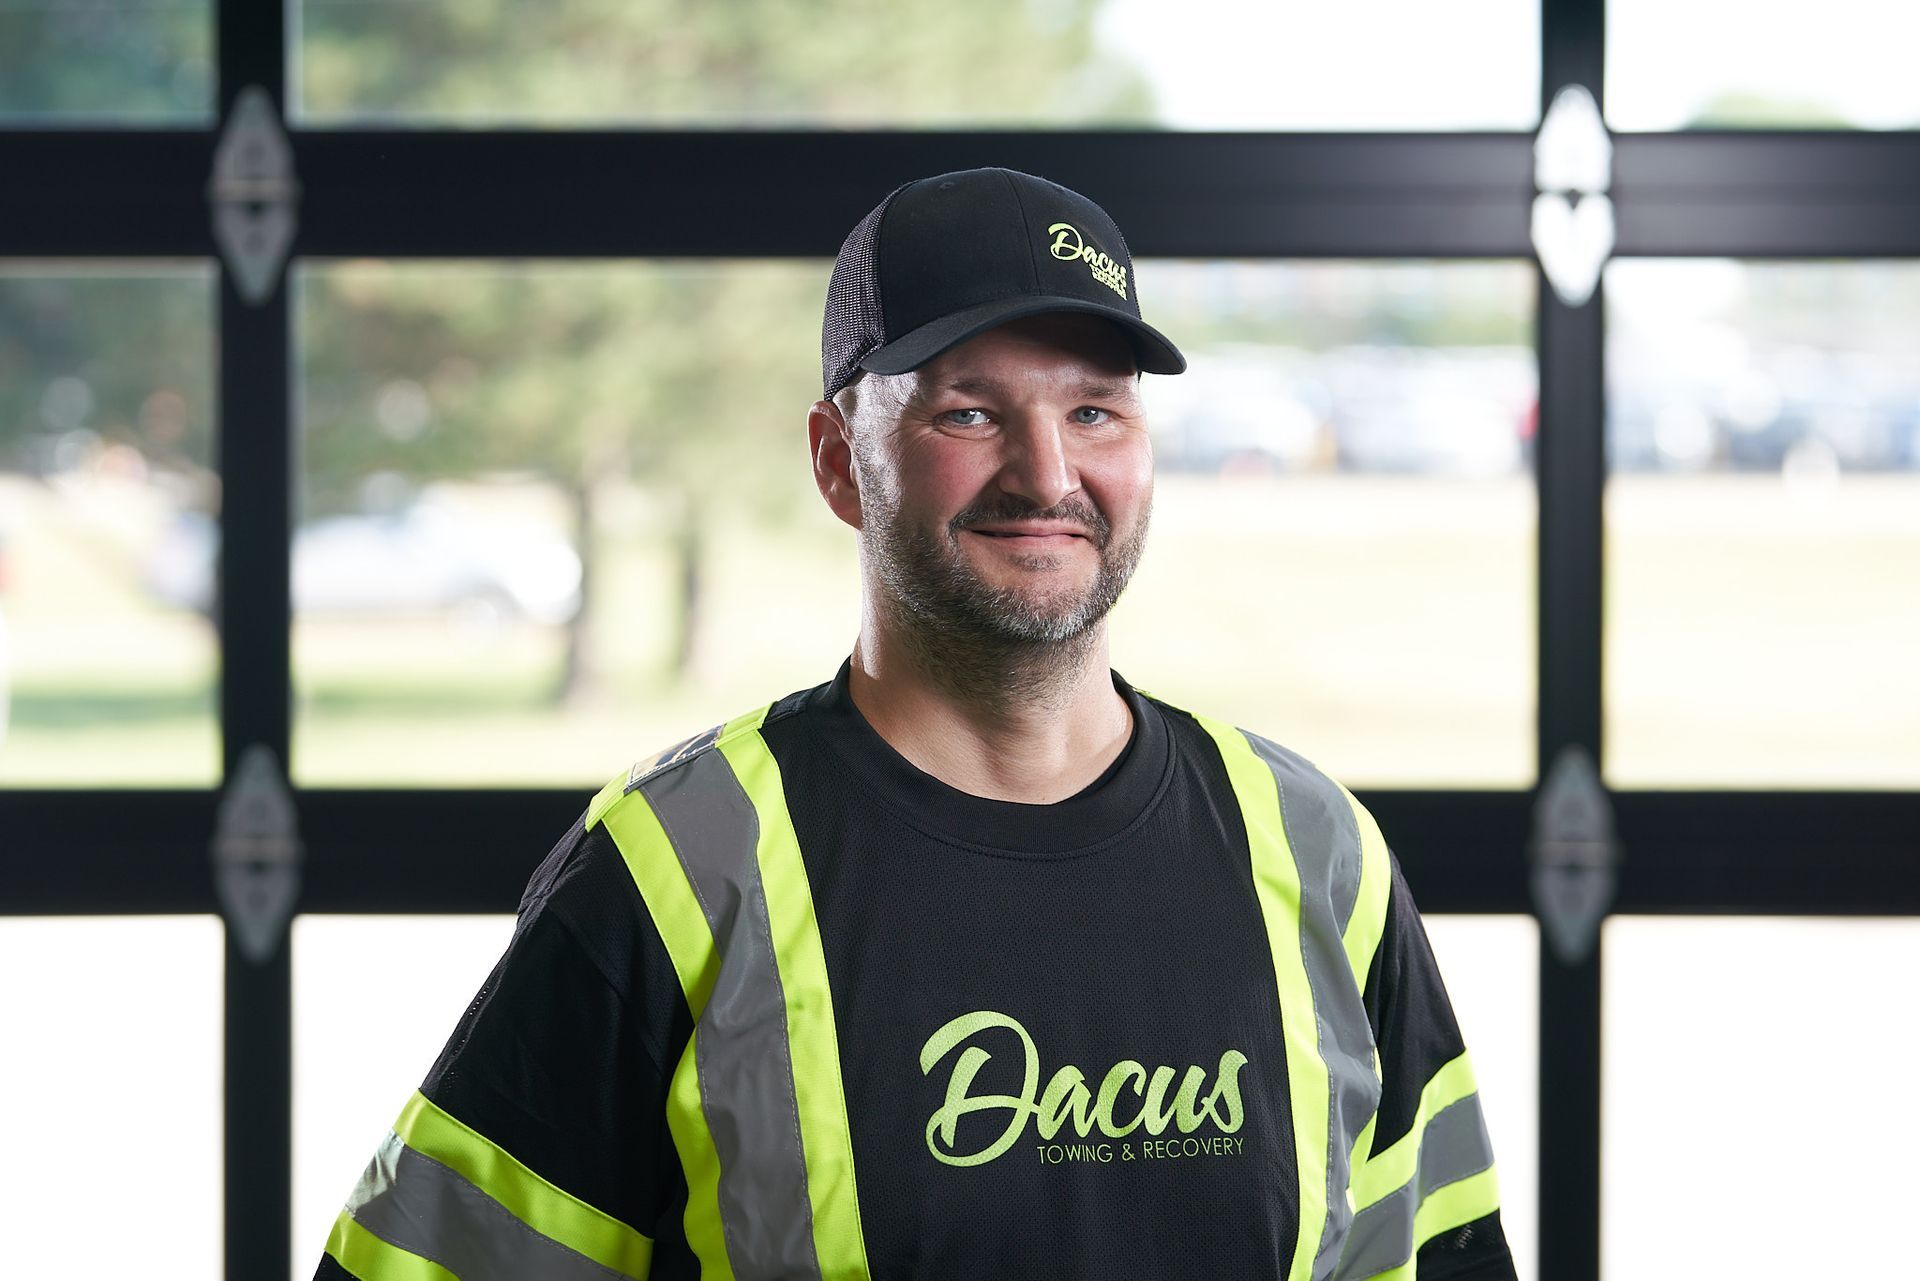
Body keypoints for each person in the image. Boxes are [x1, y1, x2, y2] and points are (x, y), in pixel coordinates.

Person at [313, 167, 1518, 1281]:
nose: (1048, 475)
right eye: (969, 414)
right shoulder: (679, 871)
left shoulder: (1316, 853)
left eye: (1096, 412)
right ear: (841, 461)